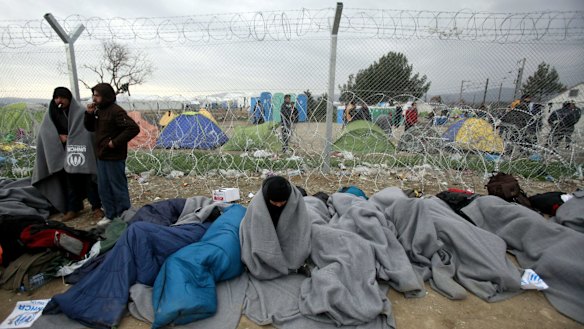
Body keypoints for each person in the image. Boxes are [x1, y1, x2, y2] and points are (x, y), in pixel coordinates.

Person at [32, 87, 103, 221]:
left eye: (62, 97)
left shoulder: (79, 111)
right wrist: (57, 137)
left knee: (88, 179)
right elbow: (45, 132)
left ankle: (96, 207)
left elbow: (87, 132)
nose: (59, 100)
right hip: (62, 153)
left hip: (80, 151)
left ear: (69, 98)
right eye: (56, 97)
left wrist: (70, 139)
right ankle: (73, 208)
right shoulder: (52, 113)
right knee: (69, 181)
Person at [84, 83, 140, 224]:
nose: (94, 98)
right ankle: (110, 214)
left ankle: (123, 215)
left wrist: (114, 142)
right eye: (93, 95)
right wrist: (89, 114)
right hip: (102, 155)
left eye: (97, 95)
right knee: (104, 187)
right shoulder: (98, 111)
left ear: (105, 96)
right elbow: (90, 127)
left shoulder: (116, 111)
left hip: (114, 156)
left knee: (117, 186)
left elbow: (133, 128)